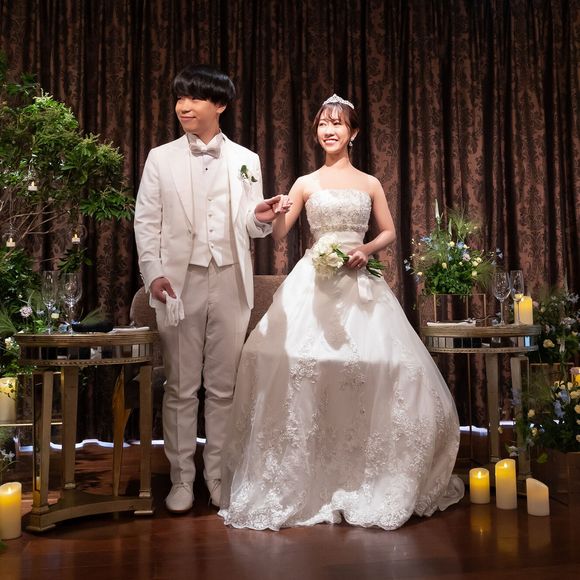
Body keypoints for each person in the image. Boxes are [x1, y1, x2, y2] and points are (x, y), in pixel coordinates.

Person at [218, 94, 464, 530]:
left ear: (353, 133)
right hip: (313, 281)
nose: (328, 130)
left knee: (386, 366)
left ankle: (364, 470)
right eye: (322, 124)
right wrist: (276, 213)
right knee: (292, 363)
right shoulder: (304, 182)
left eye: (337, 124)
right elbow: (279, 235)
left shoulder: (369, 183)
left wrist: (365, 249)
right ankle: (306, 472)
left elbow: (388, 231)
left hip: (360, 284)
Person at [134, 65, 290, 513]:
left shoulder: (246, 158)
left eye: (195, 98)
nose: (184, 106)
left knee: (223, 388)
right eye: (180, 97)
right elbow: (146, 222)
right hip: (178, 284)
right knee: (181, 387)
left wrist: (260, 216)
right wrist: (154, 274)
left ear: (219, 104)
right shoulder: (160, 158)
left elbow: (249, 225)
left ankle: (217, 477)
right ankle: (181, 480)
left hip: (230, 279)